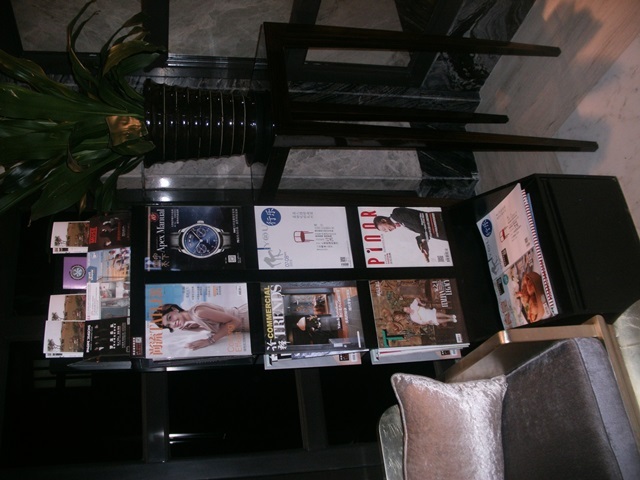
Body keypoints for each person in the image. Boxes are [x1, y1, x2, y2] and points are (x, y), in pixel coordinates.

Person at [153, 302, 249, 350]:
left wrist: (209, 341)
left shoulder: (198, 312)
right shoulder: (194, 317)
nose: (173, 323)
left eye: (170, 318)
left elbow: (235, 322)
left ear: (174, 309)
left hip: (248, 316)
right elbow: (221, 325)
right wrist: (198, 327)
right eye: (169, 325)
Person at [373, 207, 447, 261]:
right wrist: (421, 246)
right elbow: (420, 229)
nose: (388, 231)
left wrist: (424, 241)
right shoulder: (399, 222)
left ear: (384, 220)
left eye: (384, 229)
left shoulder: (396, 213)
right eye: (385, 231)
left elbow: (420, 223)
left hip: (441, 223)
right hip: (440, 231)